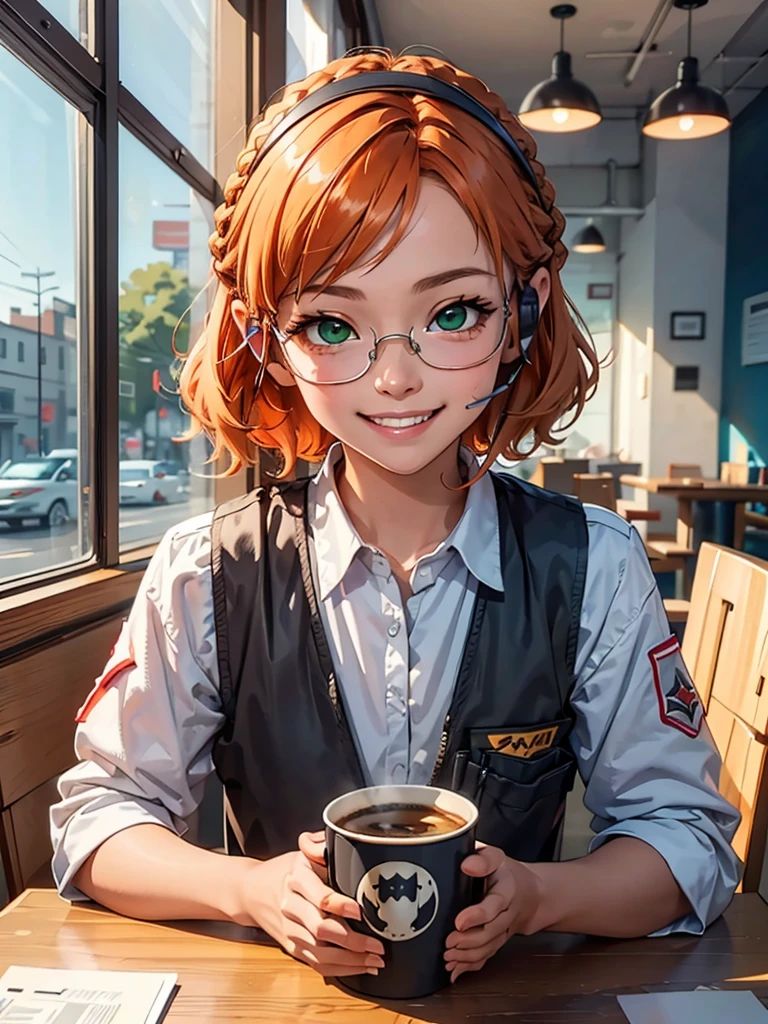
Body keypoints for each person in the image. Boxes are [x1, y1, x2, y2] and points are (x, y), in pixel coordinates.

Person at [50, 49, 740, 985]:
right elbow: (100, 821)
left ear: (525, 310)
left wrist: (543, 896)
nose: (397, 377)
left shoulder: (594, 564)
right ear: (267, 339)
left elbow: (687, 836)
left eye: (455, 311)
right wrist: (246, 891)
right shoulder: (204, 571)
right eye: (332, 325)